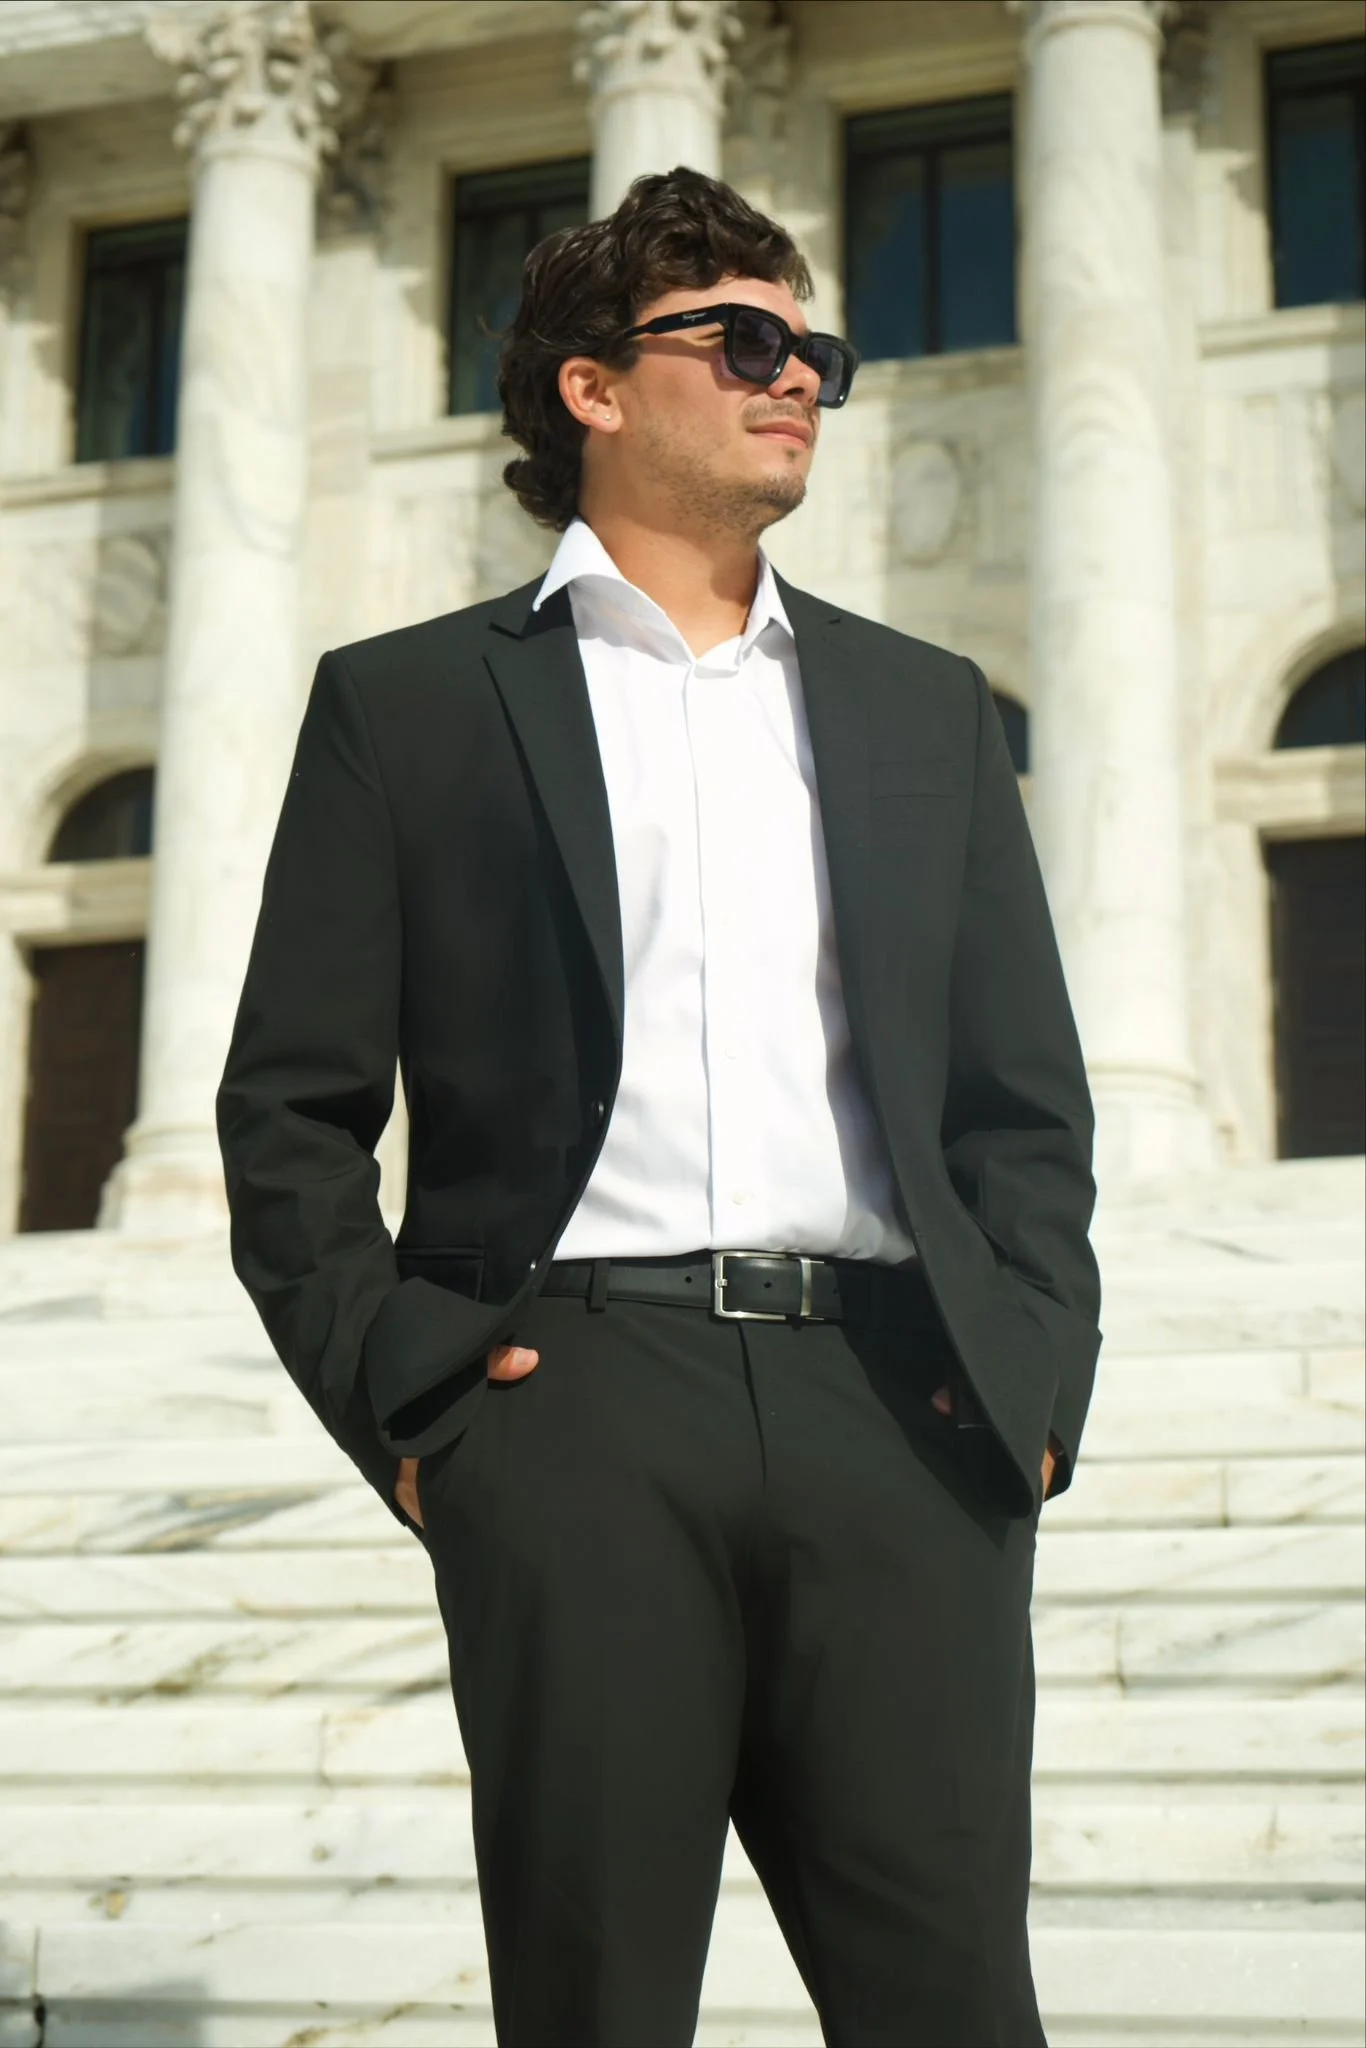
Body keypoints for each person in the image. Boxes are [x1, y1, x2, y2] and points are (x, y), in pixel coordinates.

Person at [218, 165, 1101, 2048]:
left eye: (816, 354)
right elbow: (291, 1112)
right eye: (749, 341)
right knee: (598, 2002)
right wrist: (414, 1395)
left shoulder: (923, 706)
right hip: (575, 1416)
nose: (801, 382)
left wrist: (1027, 1384)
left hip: (903, 1407)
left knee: (955, 2007)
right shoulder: (410, 706)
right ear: (592, 389)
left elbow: (1021, 1105)